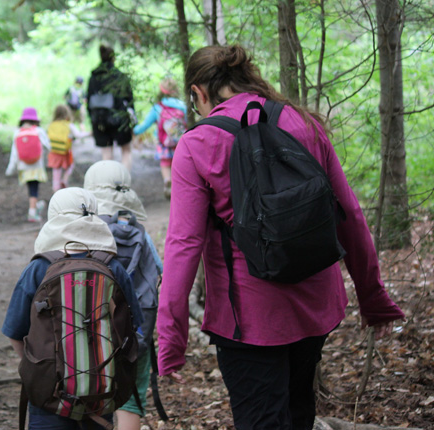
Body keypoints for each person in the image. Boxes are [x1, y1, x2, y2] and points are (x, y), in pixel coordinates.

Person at [156, 45, 406, 429]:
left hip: (248, 319)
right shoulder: (302, 121)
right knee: (298, 413)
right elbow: (349, 214)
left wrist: (171, 339)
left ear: (199, 93)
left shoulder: (196, 145)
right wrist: (373, 298)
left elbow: (182, 246)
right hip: (316, 306)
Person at [2, 187, 144, 430]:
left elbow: (15, 331)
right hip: (103, 391)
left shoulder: (39, 268)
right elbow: (133, 327)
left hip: (48, 394)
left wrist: (40, 367)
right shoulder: (114, 268)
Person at [83, 160, 163, 430]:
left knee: (91, 394)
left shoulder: (83, 231)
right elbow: (158, 272)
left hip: (90, 332)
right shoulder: (138, 230)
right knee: (130, 398)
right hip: (136, 332)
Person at [132, 77, 187, 199]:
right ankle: (177, 185)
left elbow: (145, 125)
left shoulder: (158, 107)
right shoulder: (183, 106)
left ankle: (167, 180)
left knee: (165, 163)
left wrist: (135, 130)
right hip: (181, 142)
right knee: (177, 163)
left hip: (164, 143)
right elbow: (187, 123)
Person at [87, 44, 135, 171]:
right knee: (126, 151)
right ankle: (124, 184)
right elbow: (129, 100)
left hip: (100, 120)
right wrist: (133, 120)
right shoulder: (120, 76)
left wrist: (92, 121)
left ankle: (108, 185)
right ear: (113, 58)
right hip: (120, 119)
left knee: (106, 155)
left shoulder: (93, 78)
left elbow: (89, 101)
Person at [6, 107, 51, 222]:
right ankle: (32, 213)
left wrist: (10, 169)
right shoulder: (38, 131)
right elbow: (48, 145)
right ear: (35, 120)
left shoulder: (17, 133)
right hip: (36, 165)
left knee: (31, 187)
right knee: (34, 187)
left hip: (23, 166)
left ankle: (34, 207)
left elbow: (14, 153)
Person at [47, 104, 90, 192]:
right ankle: (65, 179)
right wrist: (90, 133)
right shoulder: (68, 125)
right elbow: (78, 135)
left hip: (54, 152)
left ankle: (56, 187)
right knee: (70, 166)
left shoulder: (51, 125)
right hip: (65, 152)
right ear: (67, 114)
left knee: (56, 170)